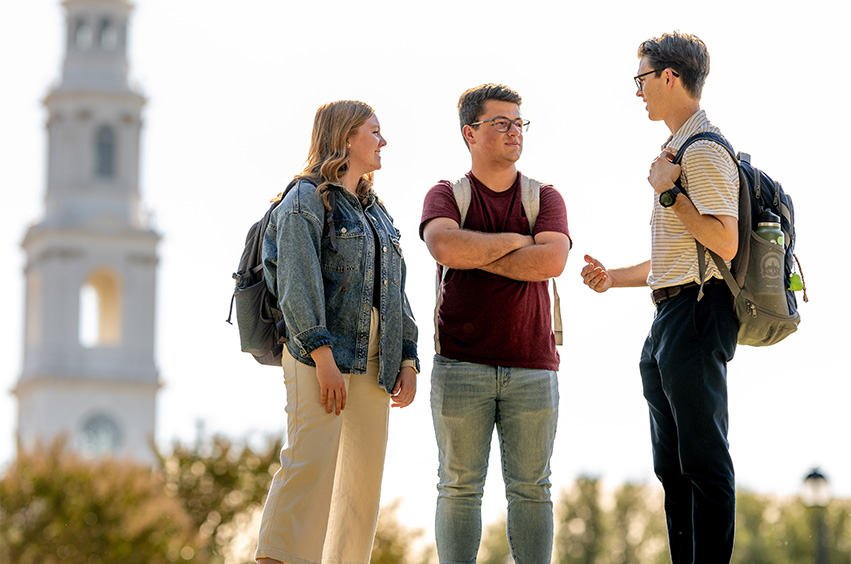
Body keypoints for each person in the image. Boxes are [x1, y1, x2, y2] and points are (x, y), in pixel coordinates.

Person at [581, 32, 739, 563]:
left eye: (641, 78)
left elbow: (723, 240)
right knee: (672, 466)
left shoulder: (705, 149)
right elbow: (680, 256)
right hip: (673, 312)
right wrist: (614, 278)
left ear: (669, 77)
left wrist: (669, 192)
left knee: (702, 461)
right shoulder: (678, 151)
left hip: (696, 312)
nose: (638, 90)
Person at [255, 100, 419, 564]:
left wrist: (406, 357)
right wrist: (322, 358)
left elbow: (395, 289)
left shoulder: (376, 211)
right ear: (347, 136)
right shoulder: (303, 200)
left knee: (361, 484)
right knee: (308, 467)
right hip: (318, 357)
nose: (383, 141)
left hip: (375, 361)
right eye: (375, 131)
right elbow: (296, 282)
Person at [420, 83, 571, 563]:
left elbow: (550, 262)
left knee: (532, 489)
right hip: (460, 364)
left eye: (518, 122)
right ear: (470, 132)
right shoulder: (446, 194)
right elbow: (445, 247)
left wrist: (477, 250)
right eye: (500, 122)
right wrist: (515, 242)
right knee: (459, 488)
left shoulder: (545, 196)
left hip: (533, 365)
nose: (514, 131)